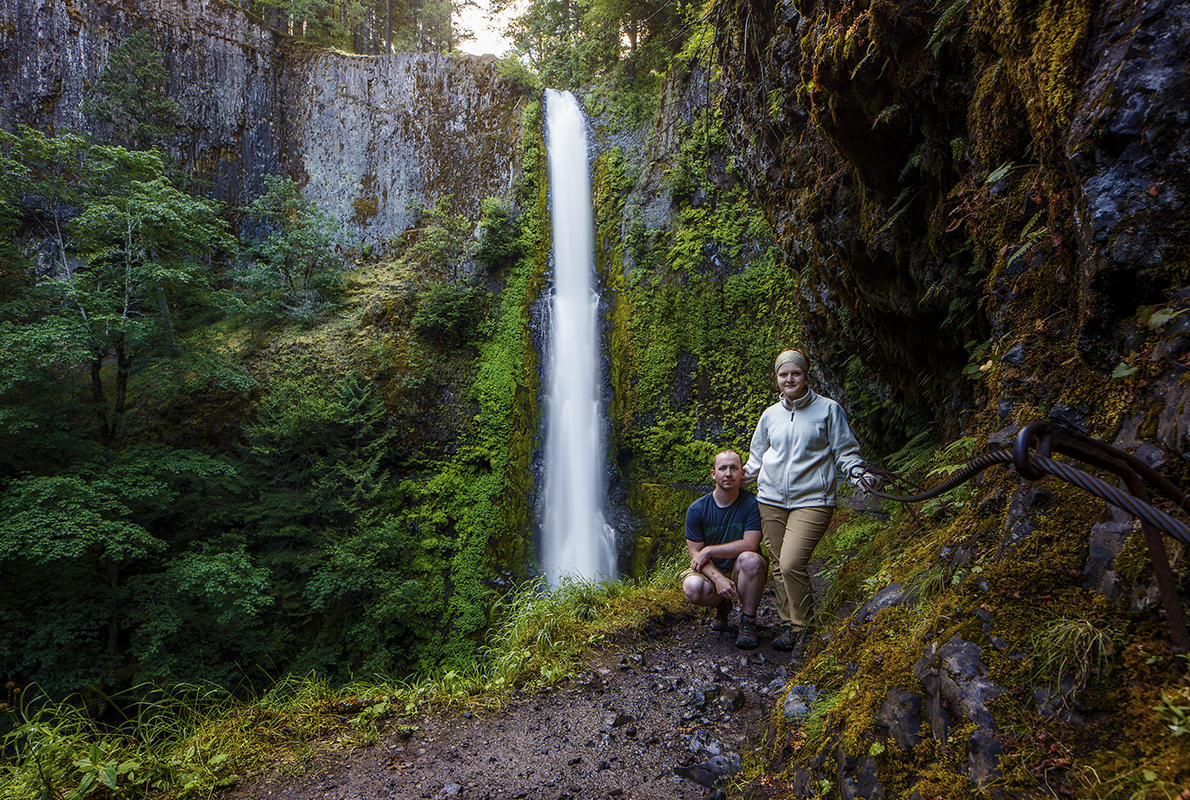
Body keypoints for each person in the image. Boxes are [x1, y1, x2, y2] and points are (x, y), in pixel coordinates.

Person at [743, 348, 877, 652]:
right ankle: (788, 623)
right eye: (783, 374)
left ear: (806, 375)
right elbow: (757, 458)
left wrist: (858, 473)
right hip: (771, 498)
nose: (789, 378)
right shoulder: (770, 416)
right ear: (777, 378)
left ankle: (804, 629)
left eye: (796, 373)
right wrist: (736, 477)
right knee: (778, 565)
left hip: (813, 498)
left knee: (791, 563)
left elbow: (845, 450)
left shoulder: (829, 410)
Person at [681, 449, 767, 649]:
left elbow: (750, 544)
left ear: (742, 473)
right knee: (692, 587)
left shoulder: (752, 504)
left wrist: (710, 550)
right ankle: (722, 605)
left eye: (734, 468)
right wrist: (718, 578)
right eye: (722, 468)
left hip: (741, 569)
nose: (728, 473)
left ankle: (748, 621)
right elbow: (695, 554)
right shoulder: (697, 509)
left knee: (751, 559)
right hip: (712, 572)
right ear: (713, 474)